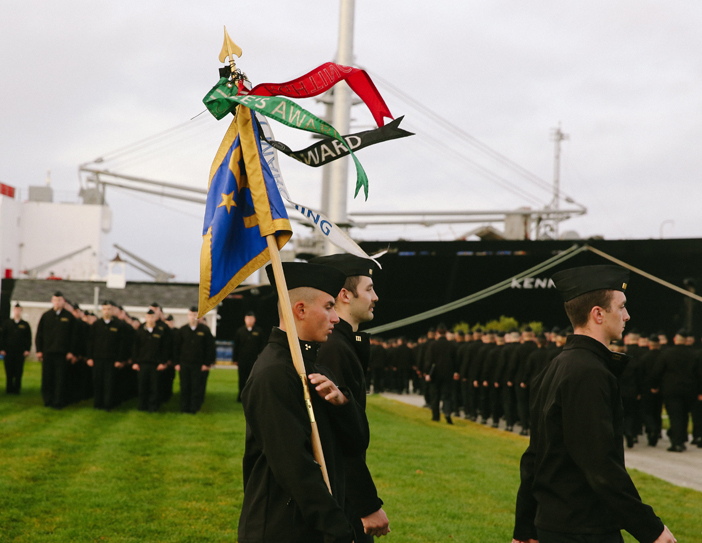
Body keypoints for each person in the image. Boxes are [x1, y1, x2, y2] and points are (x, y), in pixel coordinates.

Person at [513, 265, 675, 543]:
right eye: (621, 307)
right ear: (598, 314)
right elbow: (599, 464)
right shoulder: (588, 372)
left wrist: (525, 527)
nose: (627, 315)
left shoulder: (558, 366)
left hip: (557, 524)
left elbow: (534, 456)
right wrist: (652, 529)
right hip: (583, 527)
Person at [239, 261, 362, 543]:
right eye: (329, 307)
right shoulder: (274, 372)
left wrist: (343, 403)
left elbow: (356, 442)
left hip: (313, 525)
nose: (336, 319)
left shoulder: (315, 367)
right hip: (282, 529)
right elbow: (294, 466)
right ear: (301, 310)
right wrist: (337, 527)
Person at [311, 253, 390, 541]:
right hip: (342, 498)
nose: (376, 297)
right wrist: (367, 505)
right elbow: (340, 438)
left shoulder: (345, 344)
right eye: (369, 289)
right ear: (345, 295)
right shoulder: (335, 348)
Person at [35, 291, 78, 409]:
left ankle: (58, 401)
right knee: (47, 378)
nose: (57, 302)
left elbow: (74, 337)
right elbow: (39, 334)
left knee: (60, 379)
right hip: (48, 352)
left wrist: (71, 351)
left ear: (63, 302)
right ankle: (47, 399)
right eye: (55, 300)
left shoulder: (69, 317)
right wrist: (39, 350)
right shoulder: (46, 316)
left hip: (62, 354)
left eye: (59, 300)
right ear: (52, 301)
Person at [86, 301, 128, 410]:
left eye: (109, 309)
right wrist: (89, 357)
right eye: (104, 309)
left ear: (112, 310)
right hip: (98, 358)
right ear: (102, 310)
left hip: (111, 359)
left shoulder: (118, 325)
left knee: (109, 383)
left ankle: (108, 404)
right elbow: (90, 342)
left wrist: (119, 359)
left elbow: (122, 344)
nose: (106, 311)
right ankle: (98, 404)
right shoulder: (96, 325)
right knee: (98, 382)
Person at [174, 306, 215, 414]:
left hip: (198, 364)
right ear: (188, 316)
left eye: (195, 315)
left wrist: (207, 363)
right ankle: (184, 408)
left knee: (196, 386)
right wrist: (176, 363)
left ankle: (194, 408)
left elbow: (210, 348)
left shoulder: (205, 330)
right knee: (184, 386)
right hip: (184, 363)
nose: (193, 317)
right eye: (191, 315)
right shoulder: (182, 330)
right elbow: (176, 347)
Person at [131, 309, 169, 413]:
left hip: (155, 364)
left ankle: (153, 406)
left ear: (156, 318)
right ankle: (142, 406)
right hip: (142, 363)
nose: (150, 319)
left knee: (155, 387)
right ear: (145, 317)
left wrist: (163, 362)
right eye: (148, 317)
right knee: (142, 386)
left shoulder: (160, 332)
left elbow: (164, 348)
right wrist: (135, 362)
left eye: (152, 317)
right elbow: (135, 347)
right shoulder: (140, 331)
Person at [233, 310, 266, 402]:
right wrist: (235, 359)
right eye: (247, 319)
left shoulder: (258, 332)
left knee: (251, 378)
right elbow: (236, 346)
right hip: (242, 360)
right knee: (241, 378)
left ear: (254, 320)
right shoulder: (240, 331)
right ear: (245, 319)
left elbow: (262, 346)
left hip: (253, 360)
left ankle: (250, 396)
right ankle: (241, 396)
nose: (249, 321)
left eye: (251, 319)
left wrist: (261, 359)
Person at [1, 303, 32, 394]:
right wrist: (2, 349)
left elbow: (28, 338)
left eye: (18, 310)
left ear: (21, 311)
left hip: (20, 352)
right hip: (9, 351)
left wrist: (27, 349)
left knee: (18, 371)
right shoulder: (7, 323)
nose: (17, 312)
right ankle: (9, 389)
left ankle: (17, 389)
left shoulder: (25, 325)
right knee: (9, 371)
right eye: (15, 310)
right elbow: (2, 337)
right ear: (13, 311)